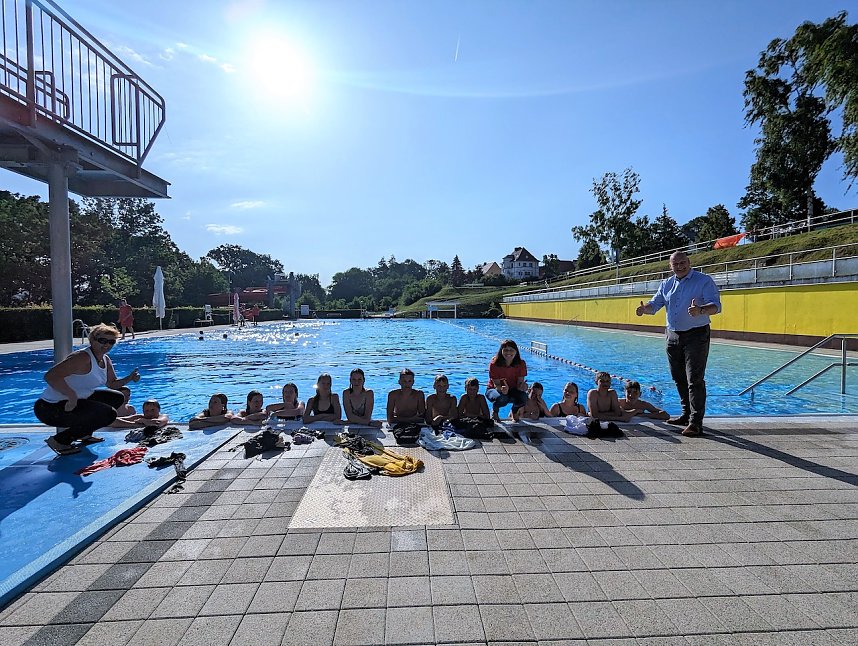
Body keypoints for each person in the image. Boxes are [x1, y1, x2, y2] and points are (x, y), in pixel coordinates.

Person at [635, 250, 722, 437]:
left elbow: (716, 306)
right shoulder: (666, 284)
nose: (680, 266)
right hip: (672, 335)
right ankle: (686, 413)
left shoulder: (703, 280)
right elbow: (655, 304)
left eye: (683, 262)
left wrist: (701, 310)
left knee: (695, 379)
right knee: (678, 377)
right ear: (670, 266)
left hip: (696, 335)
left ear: (689, 262)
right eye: (676, 264)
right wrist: (644, 309)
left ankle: (696, 422)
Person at [34, 323, 140, 455]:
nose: (106, 345)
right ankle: (60, 441)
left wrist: (129, 378)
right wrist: (71, 396)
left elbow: (112, 384)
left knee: (117, 397)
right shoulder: (82, 357)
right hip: (50, 408)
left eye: (111, 342)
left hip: (76, 401)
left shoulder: (105, 359)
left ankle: (84, 434)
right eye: (102, 340)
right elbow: (50, 376)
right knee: (109, 414)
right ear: (92, 340)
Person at [486, 339, 528, 422]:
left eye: (511, 350)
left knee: (524, 397)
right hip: (493, 390)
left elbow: (520, 383)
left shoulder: (521, 364)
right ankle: (495, 410)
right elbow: (496, 384)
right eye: (505, 350)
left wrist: (523, 387)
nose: (508, 352)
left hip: (512, 389)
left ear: (516, 352)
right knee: (503, 398)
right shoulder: (494, 364)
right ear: (501, 351)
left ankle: (514, 411)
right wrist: (501, 389)